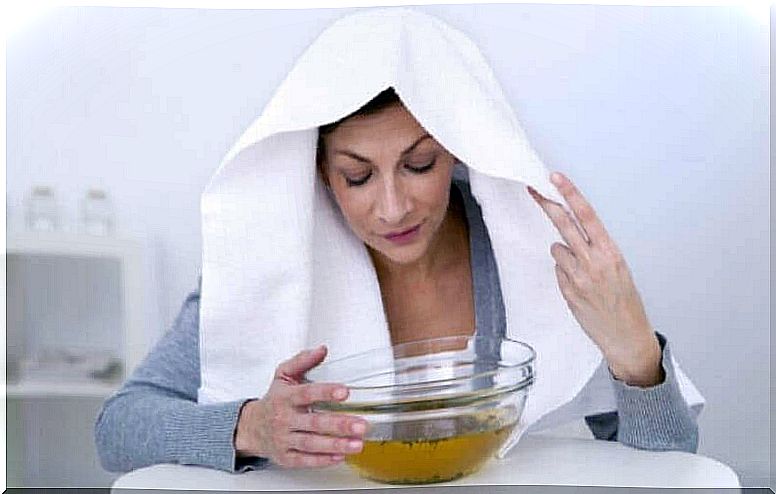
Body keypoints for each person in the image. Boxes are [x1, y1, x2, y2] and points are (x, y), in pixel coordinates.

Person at [95, 86, 699, 474]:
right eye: (358, 177)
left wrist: (634, 348)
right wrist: (253, 426)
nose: (392, 208)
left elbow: (673, 461)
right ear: (319, 175)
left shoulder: (528, 255)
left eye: (418, 165)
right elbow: (118, 429)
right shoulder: (268, 265)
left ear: (458, 152)